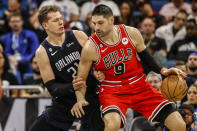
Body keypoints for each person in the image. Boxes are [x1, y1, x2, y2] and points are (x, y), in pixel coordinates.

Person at [71, 4, 187, 131]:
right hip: (112, 89)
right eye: (94, 23)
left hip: (140, 85)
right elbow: (80, 78)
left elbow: (147, 59)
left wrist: (163, 70)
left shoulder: (131, 33)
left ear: (111, 20)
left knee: (179, 125)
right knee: (112, 126)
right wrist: (80, 98)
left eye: (100, 23)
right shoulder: (90, 47)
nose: (96, 27)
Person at [29, 5, 104, 131]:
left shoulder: (78, 36)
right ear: (45, 25)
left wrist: (97, 73)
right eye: (55, 20)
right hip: (66, 100)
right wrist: (73, 87)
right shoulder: (42, 52)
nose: (60, 22)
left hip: (91, 95)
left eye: (61, 18)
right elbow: (52, 87)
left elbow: (99, 62)